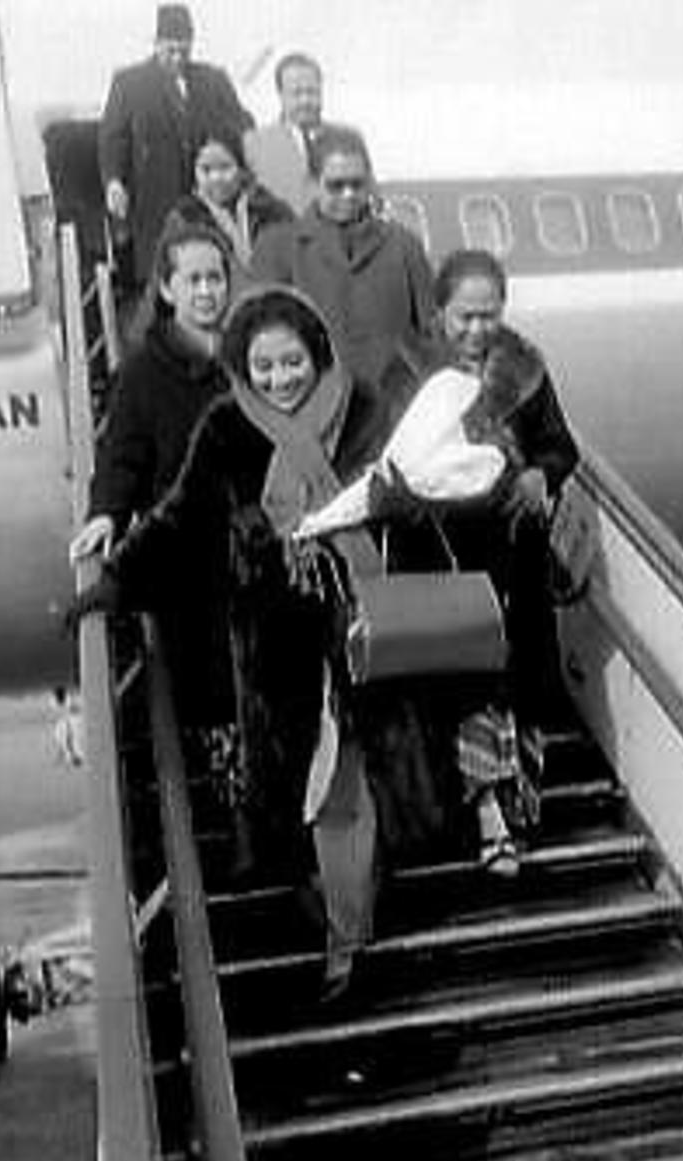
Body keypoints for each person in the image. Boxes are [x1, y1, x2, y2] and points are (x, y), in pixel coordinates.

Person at [72, 285, 407, 998]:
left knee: (349, 790)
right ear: (243, 370)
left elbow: (408, 502)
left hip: (361, 633)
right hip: (277, 653)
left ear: (318, 355)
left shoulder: (365, 412)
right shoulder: (227, 428)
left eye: (293, 362)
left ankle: (350, 946)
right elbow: (180, 518)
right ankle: (339, 929)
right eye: (265, 367)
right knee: (304, 795)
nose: (281, 379)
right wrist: (114, 582)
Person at [373, 248, 580, 875]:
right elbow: (393, 457)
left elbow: (559, 447)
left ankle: (514, 811)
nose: (477, 329)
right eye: (465, 316)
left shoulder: (525, 369)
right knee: (469, 684)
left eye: (489, 315)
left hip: (514, 551)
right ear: (440, 312)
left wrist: (541, 475)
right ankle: (489, 817)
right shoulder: (409, 370)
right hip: (443, 553)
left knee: (518, 680)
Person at [69, 218, 233, 735]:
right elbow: (123, 455)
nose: (206, 291)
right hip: (188, 558)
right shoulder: (143, 372)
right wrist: (105, 512)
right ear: (166, 288)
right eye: (193, 280)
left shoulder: (252, 357)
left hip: (251, 546)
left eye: (215, 278)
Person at [251, 125, 435, 391]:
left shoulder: (404, 246)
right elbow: (260, 340)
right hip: (314, 401)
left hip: (393, 405)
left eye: (357, 184)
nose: (348, 194)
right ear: (312, 184)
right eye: (336, 186)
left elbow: (430, 336)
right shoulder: (278, 249)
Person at [98, 3, 255, 293]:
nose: (178, 58)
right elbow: (112, 137)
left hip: (208, 202)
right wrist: (113, 181)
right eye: (170, 50)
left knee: (209, 273)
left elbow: (243, 125)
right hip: (154, 201)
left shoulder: (214, 80)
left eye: (184, 51)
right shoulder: (129, 82)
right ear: (156, 43)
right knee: (161, 278)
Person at [170, 130, 294, 295]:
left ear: (242, 169)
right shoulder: (184, 219)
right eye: (206, 169)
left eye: (225, 167)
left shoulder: (272, 211)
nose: (216, 178)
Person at [243, 52, 327, 216]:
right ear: (280, 94)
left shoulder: (347, 139)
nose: (305, 100)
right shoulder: (254, 144)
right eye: (296, 93)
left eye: (312, 92)